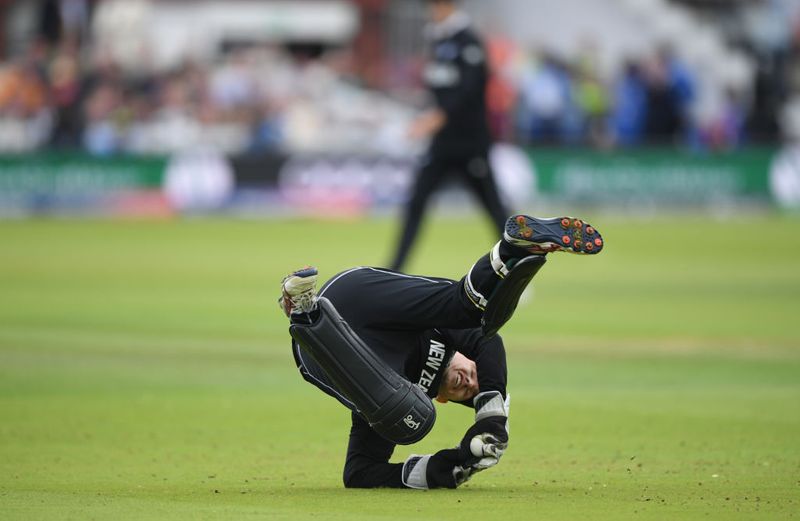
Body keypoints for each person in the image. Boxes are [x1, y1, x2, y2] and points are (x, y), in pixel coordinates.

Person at [281, 214, 604, 489]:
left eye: (467, 393)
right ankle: (510, 247)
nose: (469, 381)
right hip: (358, 294)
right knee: (472, 312)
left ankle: (306, 310)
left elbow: (359, 473)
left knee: (407, 418)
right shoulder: (451, 335)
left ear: (446, 399)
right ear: (468, 355)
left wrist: (448, 467)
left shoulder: (407, 400)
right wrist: (491, 421)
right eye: (477, 374)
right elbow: (488, 341)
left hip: (321, 348)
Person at [389, 0, 509, 271]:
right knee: (416, 203)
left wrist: (435, 118)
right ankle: (393, 271)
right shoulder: (438, 41)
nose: (430, 11)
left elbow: (469, 89)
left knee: (493, 209)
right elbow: (440, 88)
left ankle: (516, 270)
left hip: (470, 143)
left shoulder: (468, 41)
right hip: (443, 144)